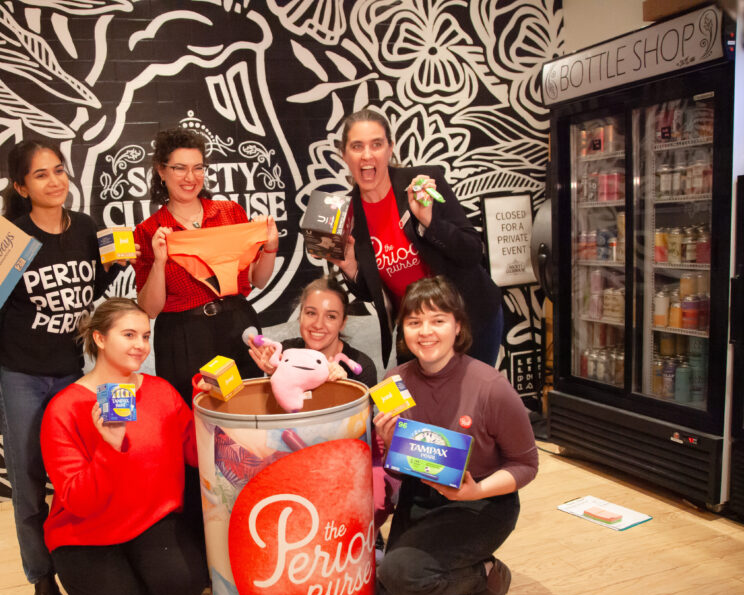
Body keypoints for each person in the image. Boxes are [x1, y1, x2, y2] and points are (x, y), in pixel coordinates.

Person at [0, 138, 124, 595]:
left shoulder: (85, 228)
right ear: (21, 187)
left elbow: (88, 294)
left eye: (59, 170)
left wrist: (120, 267)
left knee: (75, 477)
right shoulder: (10, 240)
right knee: (28, 483)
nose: (55, 181)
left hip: (72, 373)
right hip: (19, 374)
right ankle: (43, 586)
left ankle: (84, 570)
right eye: (41, 175)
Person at [372, 276, 537, 595]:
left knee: (400, 574)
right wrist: (388, 444)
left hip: (482, 504)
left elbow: (527, 465)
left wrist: (475, 492)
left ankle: (489, 576)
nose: (425, 332)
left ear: (458, 326)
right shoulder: (392, 383)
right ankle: (449, 574)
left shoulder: (490, 387)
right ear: (404, 331)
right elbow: (402, 468)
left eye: (437, 320)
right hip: (422, 499)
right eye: (414, 322)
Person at [40, 299, 209, 595]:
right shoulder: (64, 408)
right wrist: (109, 447)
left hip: (147, 521)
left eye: (145, 336)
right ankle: (102, 590)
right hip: (87, 534)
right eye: (128, 334)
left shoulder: (160, 391)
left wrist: (205, 407)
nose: (140, 345)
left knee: (186, 583)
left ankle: (133, 588)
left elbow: (194, 455)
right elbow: (80, 502)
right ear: (99, 339)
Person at [328, 108, 503, 368]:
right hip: (416, 330)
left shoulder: (423, 184)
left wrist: (429, 222)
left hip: (469, 318)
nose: (367, 155)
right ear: (344, 154)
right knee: (416, 406)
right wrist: (351, 267)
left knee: (469, 403)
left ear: (390, 149)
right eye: (357, 146)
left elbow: (471, 252)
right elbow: (375, 291)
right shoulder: (347, 214)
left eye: (377, 144)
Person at [133, 126, 279, 405]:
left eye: (198, 168)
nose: (191, 178)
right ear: (161, 171)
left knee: (248, 409)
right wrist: (160, 261)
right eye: (179, 168)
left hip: (237, 326)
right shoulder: (149, 230)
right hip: (183, 336)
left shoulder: (230, 213)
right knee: (193, 417)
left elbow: (257, 280)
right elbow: (150, 309)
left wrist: (270, 246)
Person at [247, 274, 378, 387]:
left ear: (342, 322)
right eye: (311, 313)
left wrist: (343, 389)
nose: (318, 324)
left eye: (331, 316)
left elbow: (363, 416)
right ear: (300, 316)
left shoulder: (361, 367)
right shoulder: (284, 353)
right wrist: (277, 375)